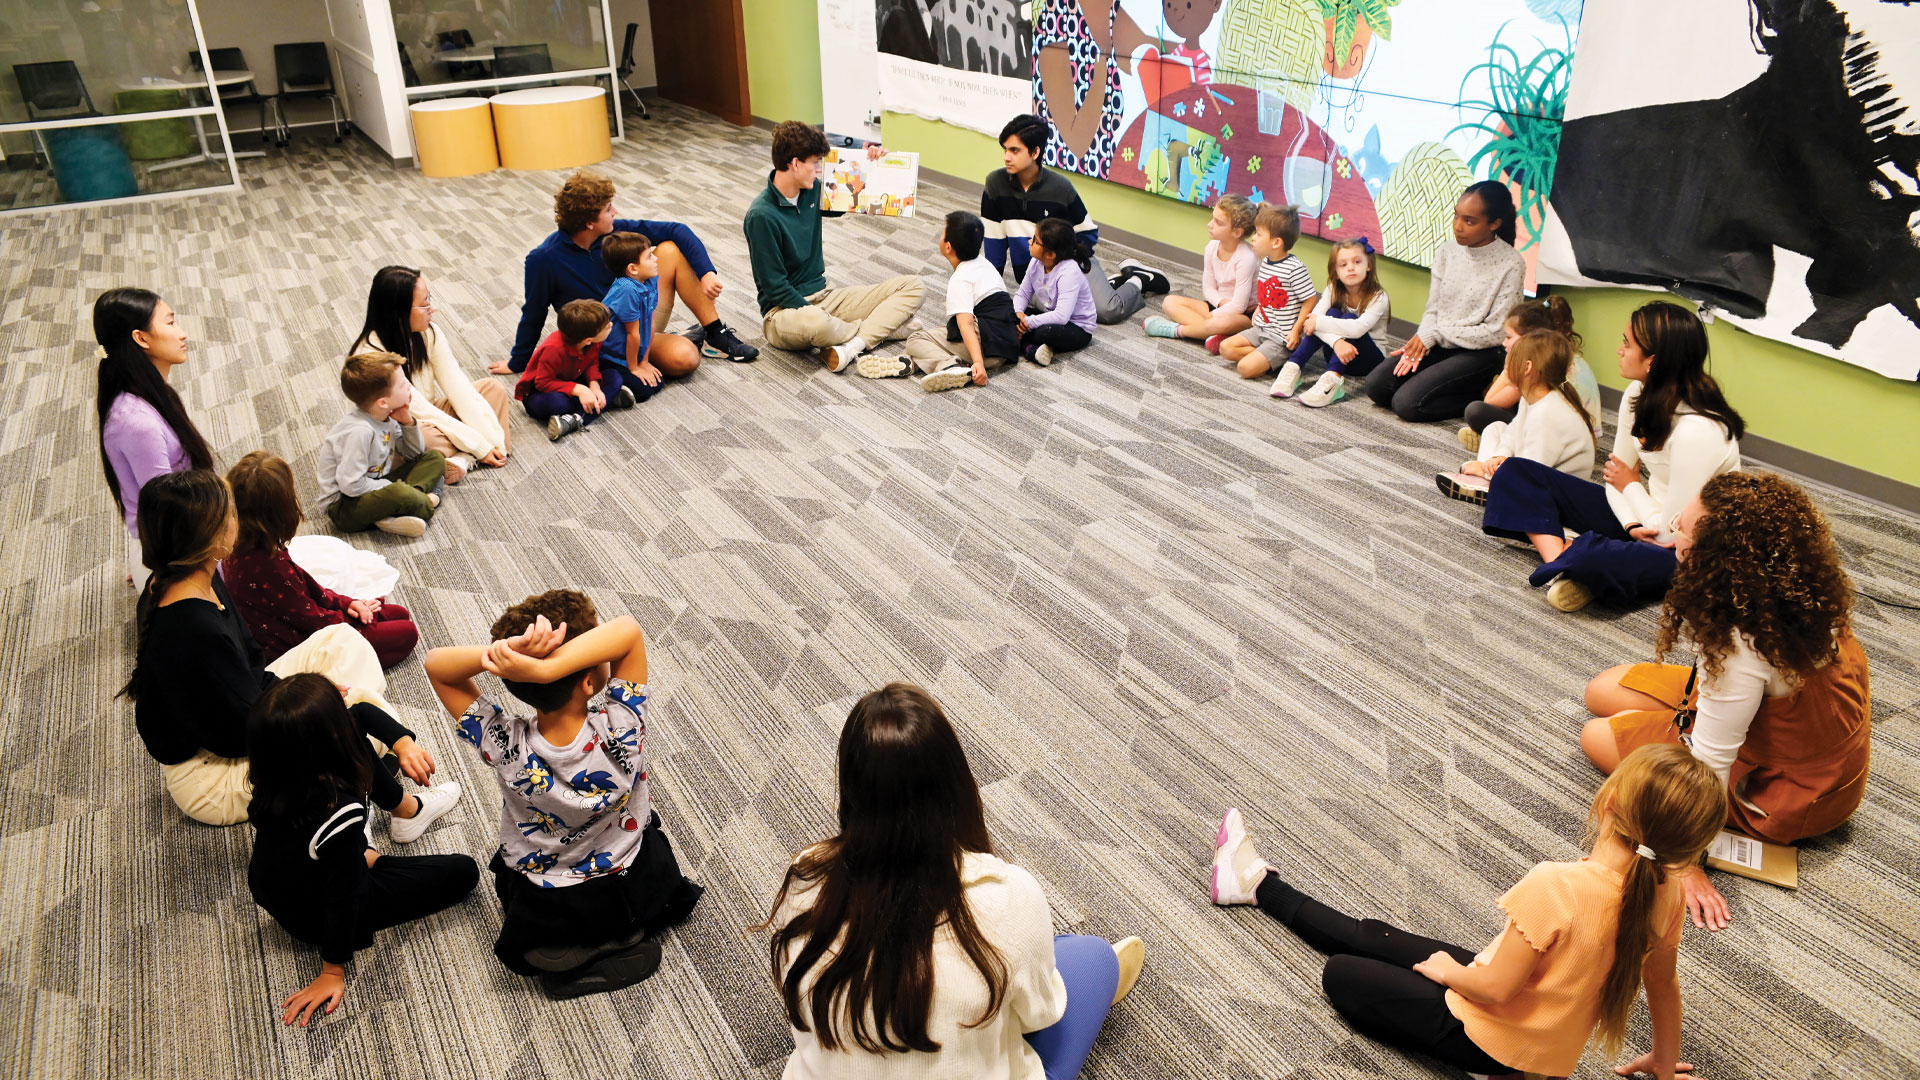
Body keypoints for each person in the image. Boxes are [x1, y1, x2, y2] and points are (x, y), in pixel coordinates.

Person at [1209, 743, 1727, 1080]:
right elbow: (1663, 984)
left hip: (1490, 1037)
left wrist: (1450, 973)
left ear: (1609, 799)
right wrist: (1662, 1061)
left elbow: (1496, 990)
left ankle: (1500, 1074)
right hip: (1538, 1033)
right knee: (1375, 935)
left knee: (1342, 973)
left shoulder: (1558, 884)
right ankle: (1257, 887)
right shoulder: (1669, 891)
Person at [761, 683, 1144, 1079]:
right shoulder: (1010, 896)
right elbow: (1040, 1015)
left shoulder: (805, 880)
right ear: (956, 786)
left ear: (852, 793)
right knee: (1092, 961)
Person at [1580, 471, 1871, 932]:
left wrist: (1686, 863)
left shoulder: (1742, 642)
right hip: (1797, 737)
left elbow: (1710, 764)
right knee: (1602, 689)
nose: (1675, 538)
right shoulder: (1798, 585)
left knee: (1595, 734)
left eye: (1688, 534)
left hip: (1787, 791)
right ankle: (1666, 727)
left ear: (1725, 559)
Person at [123, 469, 459, 830]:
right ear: (213, 538)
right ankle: (401, 807)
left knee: (343, 642)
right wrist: (314, 702)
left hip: (240, 715)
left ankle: (359, 771)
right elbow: (238, 734)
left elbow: (250, 665)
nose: (238, 519)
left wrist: (300, 689)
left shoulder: (190, 577)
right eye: (231, 513)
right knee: (345, 717)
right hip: (211, 777)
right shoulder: (193, 628)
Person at [424, 592, 704, 999]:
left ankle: (562, 940)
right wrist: (551, 666)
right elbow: (628, 632)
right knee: (651, 852)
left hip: (543, 882)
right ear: (588, 680)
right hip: (618, 874)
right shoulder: (621, 728)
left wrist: (514, 659)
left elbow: (437, 665)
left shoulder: (505, 743)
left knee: (535, 896)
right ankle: (616, 936)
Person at [1479, 302, 1744, 612]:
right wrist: (1631, 523)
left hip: (1689, 550)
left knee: (1603, 556)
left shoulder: (1698, 431)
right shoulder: (1636, 394)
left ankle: (1582, 561)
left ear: (1652, 361)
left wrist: (1631, 486)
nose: (1619, 350)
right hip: (1642, 519)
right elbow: (1613, 480)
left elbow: (1669, 534)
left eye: (1627, 344)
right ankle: (1564, 563)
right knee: (1515, 472)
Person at [246, 675, 479, 1028]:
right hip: (313, 914)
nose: (348, 709)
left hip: (285, 879)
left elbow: (362, 714)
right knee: (464, 871)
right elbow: (344, 895)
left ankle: (402, 813)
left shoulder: (276, 773)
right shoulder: (337, 807)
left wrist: (403, 743)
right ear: (329, 735)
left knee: (361, 747)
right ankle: (376, 841)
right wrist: (332, 970)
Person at [497, 169, 752, 373]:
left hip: (639, 318)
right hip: (608, 339)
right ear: (589, 222)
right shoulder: (543, 259)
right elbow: (533, 313)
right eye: (608, 209)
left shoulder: (613, 232)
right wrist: (516, 363)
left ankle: (715, 332)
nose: (615, 212)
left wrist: (706, 272)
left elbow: (677, 229)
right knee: (686, 357)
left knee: (670, 249)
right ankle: (676, 339)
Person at [744, 121, 929, 374]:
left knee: (913, 286)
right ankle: (882, 328)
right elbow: (775, 288)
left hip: (826, 297)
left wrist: (870, 162)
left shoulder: (810, 190)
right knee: (817, 322)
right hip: (784, 312)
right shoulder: (761, 216)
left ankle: (854, 343)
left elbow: (851, 199)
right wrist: (815, 313)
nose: (819, 170)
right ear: (795, 164)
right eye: (815, 163)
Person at [224, 451, 420, 670]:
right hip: (296, 644)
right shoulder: (264, 564)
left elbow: (308, 588)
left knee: (398, 613)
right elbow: (313, 620)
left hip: (305, 624)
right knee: (407, 633)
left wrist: (348, 603)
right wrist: (352, 620)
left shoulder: (253, 545)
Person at [980, 114, 1167, 325]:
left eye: (1014, 150)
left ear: (1035, 152)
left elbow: (1088, 233)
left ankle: (1139, 279)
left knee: (1108, 311)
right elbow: (994, 246)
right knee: (1053, 314)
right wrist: (989, 294)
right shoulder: (995, 184)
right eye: (1005, 149)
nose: (1006, 157)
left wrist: (1062, 268)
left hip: (1072, 264)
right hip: (1033, 276)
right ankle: (1110, 284)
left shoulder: (1060, 187)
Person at [1364, 181, 1526, 422]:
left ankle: (1484, 398)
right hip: (1441, 341)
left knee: (1406, 404)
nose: (1457, 227)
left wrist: (1434, 336)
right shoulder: (1446, 252)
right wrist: (1424, 340)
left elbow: (1495, 333)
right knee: (1376, 387)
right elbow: (1433, 310)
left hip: (1481, 353)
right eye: (1456, 217)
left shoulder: (1512, 264)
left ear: (1494, 224)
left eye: (1469, 221)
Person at [94, 287, 215, 589]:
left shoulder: (148, 393)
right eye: (171, 323)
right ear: (142, 338)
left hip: (179, 541)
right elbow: (168, 513)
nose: (182, 333)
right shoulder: (136, 422)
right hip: (180, 555)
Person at [349, 265, 509, 486]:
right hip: (401, 428)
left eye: (429, 299)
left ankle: (461, 460)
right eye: (424, 304)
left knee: (492, 389)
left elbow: (457, 385)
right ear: (400, 312)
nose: (432, 309)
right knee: (425, 437)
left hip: (432, 412)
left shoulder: (428, 332)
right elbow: (418, 410)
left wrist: (488, 443)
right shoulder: (372, 355)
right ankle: (460, 456)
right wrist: (480, 444)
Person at [860, 212, 1025, 391]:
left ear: (948, 247)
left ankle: (950, 367)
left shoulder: (961, 278)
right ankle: (909, 362)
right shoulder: (985, 265)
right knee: (939, 337)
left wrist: (978, 363)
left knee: (916, 339)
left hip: (986, 346)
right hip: (1005, 346)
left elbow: (966, 324)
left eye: (942, 233)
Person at [1436, 329, 1596, 504]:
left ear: (1527, 367)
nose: (1507, 359)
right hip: (1536, 469)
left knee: (1506, 476)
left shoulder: (1547, 414)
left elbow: (1532, 472)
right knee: (1495, 428)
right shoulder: (1533, 396)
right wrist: (1498, 457)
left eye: (1512, 355)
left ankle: (1487, 481)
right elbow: (1513, 432)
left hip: (1558, 494)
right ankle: (1488, 483)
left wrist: (1486, 470)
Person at [317, 352, 444, 537]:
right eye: (402, 384)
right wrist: (393, 489)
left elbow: (414, 455)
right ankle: (424, 502)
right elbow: (351, 485)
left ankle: (398, 510)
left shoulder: (387, 418)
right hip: (344, 506)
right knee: (401, 492)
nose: (409, 385)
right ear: (383, 402)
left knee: (435, 459)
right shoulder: (360, 431)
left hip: (374, 485)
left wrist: (407, 421)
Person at [1460, 296, 1602, 453]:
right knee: (1508, 407)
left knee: (1476, 411)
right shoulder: (1557, 353)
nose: (1503, 343)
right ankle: (1497, 439)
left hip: (1562, 442)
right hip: (1582, 440)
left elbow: (1490, 402)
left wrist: (1508, 372)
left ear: (1529, 338)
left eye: (1508, 337)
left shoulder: (1537, 364)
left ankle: (1497, 442)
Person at [1141, 193, 1257, 352]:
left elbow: (1239, 305)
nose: (1210, 224)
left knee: (1217, 323)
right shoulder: (1211, 247)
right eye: (1212, 218)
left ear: (1237, 232)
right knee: (1169, 302)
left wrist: (1215, 316)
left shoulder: (1246, 257)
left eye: (1218, 222)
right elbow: (1208, 288)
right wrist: (1219, 305)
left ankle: (1177, 331)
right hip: (1218, 305)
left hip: (1242, 315)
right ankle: (1211, 335)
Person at [1284, 237, 1391, 407]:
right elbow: (1311, 321)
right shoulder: (1333, 289)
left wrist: (1320, 323)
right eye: (1343, 264)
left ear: (1368, 265)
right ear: (1336, 271)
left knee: (1347, 319)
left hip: (1369, 361)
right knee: (1332, 313)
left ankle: (1333, 380)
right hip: (1337, 353)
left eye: (1357, 262)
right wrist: (1337, 342)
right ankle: (1293, 366)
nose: (1350, 267)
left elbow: (1355, 330)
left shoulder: (1378, 297)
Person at [1216, 204, 1315, 383]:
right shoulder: (1266, 261)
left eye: (1259, 234)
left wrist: (1295, 331)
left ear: (1276, 243)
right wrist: (1259, 309)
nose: (1253, 238)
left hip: (1280, 339)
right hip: (1260, 329)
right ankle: (1265, 358)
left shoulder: (1295, 269)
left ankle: (1283, 358)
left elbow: (1310, 300)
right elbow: (1267, 292)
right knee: (1225, 348)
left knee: (1245, 368)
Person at [514, 299, 626, 442]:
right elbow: (542, 383)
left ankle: (574, 419)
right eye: (606, 326)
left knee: (615, 377)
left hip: (572, 379)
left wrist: (594, 386)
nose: (611, 325)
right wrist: (580, 390)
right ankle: (605, 402)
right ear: (587, 340)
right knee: (556, 403)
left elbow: (591, 363)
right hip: (541, 392)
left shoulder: (594, 341)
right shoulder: (554, 348)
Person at [599, 231, 678, 400]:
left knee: (657, 381)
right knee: (644, 389)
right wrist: (635, 368)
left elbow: (650, 323)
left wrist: (645, 361)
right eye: (650, 256)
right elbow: (632, 333)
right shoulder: (626, 290)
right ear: (633, 269)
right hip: (607, 355)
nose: (656, 259)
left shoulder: (650, 280)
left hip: (631, 351)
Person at [1012, 217, 1098, 366]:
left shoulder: (1069, 272)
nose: (1029, 242)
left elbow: (1061, 317)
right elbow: (1023, 293)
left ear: (1051, 254)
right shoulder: (1035, 262)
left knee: (1044, 332)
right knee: (1007, 311)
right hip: (1051, 315)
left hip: (1077, 328)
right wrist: (1018, 315)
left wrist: (1028, 322)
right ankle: (1027, 345)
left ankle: (1025, 347)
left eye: (1035, 240)